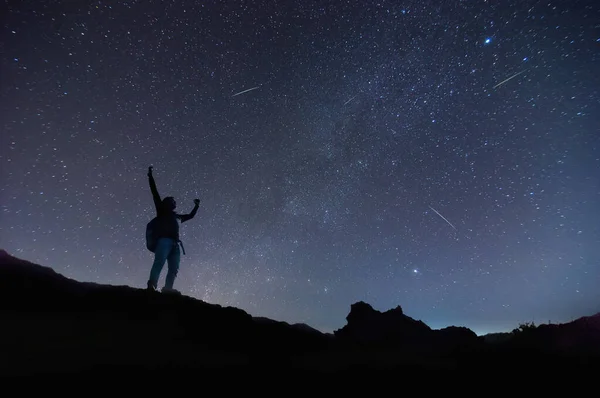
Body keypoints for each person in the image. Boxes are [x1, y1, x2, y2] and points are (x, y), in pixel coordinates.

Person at [146, 166, 200, 293]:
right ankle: (152, 285)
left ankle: (168, 289)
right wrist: (150, 176)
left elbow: (191, 216)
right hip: (164, 241)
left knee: (174, 268)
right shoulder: (162, 210)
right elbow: (154, 192)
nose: (175, 202)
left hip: (176, 244)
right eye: (173, 200)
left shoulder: (177, 217)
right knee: (159, 262)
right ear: (166, 203)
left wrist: (196, 206)